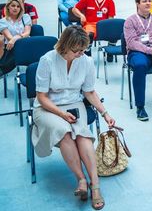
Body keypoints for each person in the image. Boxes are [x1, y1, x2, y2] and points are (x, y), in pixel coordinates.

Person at [32, 26, 115, 210]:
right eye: (76, 50)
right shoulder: (47, 60)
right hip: (47, 107)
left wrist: (105, 113)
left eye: (83, 50)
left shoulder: (86, 61)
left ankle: (95, 185)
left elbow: (89, 92)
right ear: (64, 45)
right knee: (64, 131)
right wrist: (61, 114)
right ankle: (81, 179)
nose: (80, 54)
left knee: (83, 134)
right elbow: (42, 97)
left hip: (74, 104)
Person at [0, 0, 32, 75]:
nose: (15, 8)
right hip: (11, 47)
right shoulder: (3, 21)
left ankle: (2, 70)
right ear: (8, 7)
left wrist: (16, 37)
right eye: (13, 6)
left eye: (18, 6)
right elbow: (9, 37)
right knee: (15, 52)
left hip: (26, 45)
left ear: (21, 8)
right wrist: (15, 39)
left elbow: (27, 33)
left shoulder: (26, 17)